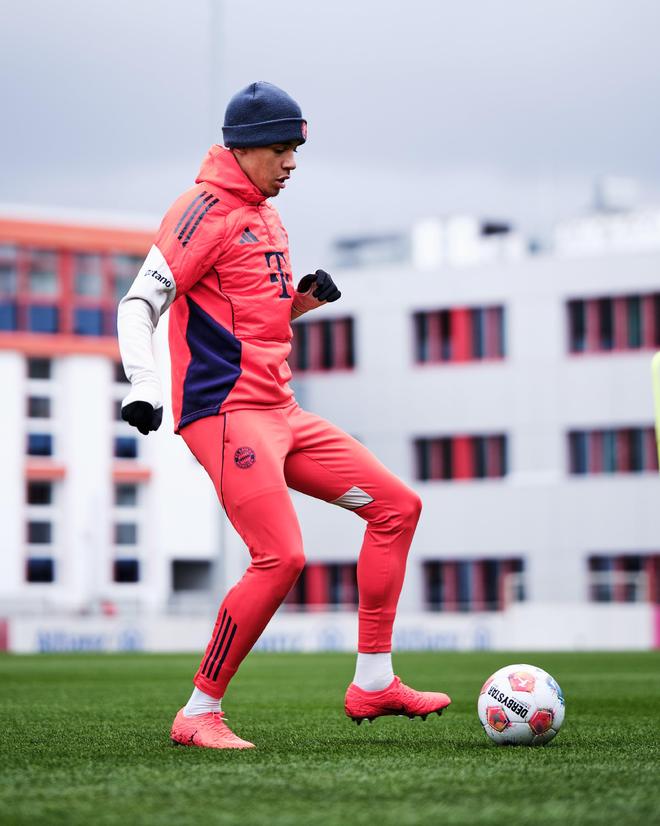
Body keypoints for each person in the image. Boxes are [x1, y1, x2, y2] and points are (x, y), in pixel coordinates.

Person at [117, 81, 451, 750]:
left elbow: (243, 318)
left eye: (296, 148)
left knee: (397, 507)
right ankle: (198, 712)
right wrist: (144, 386)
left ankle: (374, 681)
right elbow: (138, 304)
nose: (292, 162)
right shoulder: (200, 209)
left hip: (282, 410)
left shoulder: (267, 214)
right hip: (225, 414)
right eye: (280, 149)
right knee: (281, 557)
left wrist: (299, 305)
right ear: (242, 149)